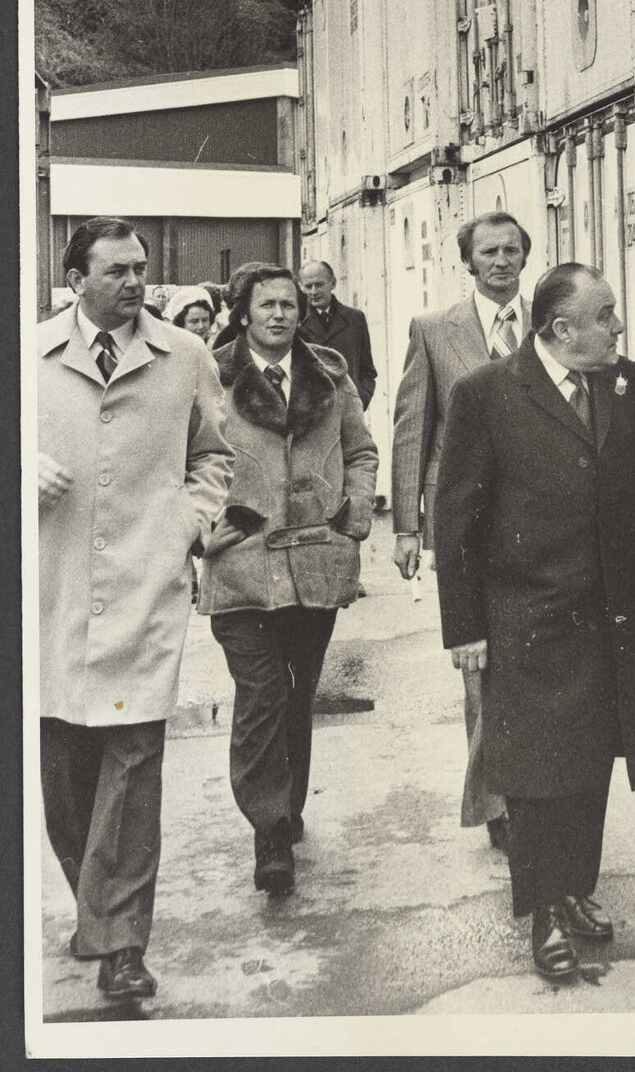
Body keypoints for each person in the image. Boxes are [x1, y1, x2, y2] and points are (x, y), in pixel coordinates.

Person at [434, 262, 635, 981]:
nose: (618, 327)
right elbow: (455, 519)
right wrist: (465, 627)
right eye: (605, 314)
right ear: (560, 328)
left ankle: (573, 889)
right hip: (528, 615)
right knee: (538, 772)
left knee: (594, 758)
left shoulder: (624, 382)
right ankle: (541, 913)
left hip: (613, 612)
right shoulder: (486, 394)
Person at [38, 219, 234, 1004]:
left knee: (132, 762)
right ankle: (98, 907)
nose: (133, 282)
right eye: (116, 269)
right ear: (76, 275)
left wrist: (187, 523)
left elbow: (214, 455)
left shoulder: (185, 357)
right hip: (52, 588)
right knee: (64, 772)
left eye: (141, 268)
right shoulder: (30, 354)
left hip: (146, 588)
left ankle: (121, 943)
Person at [197, 264, 378, 898]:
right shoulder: (209, 374)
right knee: (262, 695)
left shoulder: (330, 370)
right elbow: (181, 459)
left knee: (297, 695)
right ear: (242, 312)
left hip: (314, 563)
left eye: (289, 304)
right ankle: (269, 832)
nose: (279, 314)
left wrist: (353, 512)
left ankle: (288, 810)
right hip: (241, 564)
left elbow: (360, 449)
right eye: (266, 304)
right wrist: (201, 528)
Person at [390, 210, 534, 850]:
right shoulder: (434, 331)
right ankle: (498, 801)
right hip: (468, 522)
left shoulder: (551, 324)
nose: (500, 261)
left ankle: (538, 789)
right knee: (480, 665)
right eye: (488, 252)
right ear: (468, 262)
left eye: (511, 250)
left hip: (541, 523)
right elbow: (411, 428)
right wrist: (406, 527)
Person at [298, 260, 378, 411]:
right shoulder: (297, 322)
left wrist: (360, 400)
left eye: (319, 284)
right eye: (308, 286)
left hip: (349, 411)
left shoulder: (355, 319)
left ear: (333, 283)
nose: (314, 292)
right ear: (301, 287)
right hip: (312, 413)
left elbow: (367, 370)